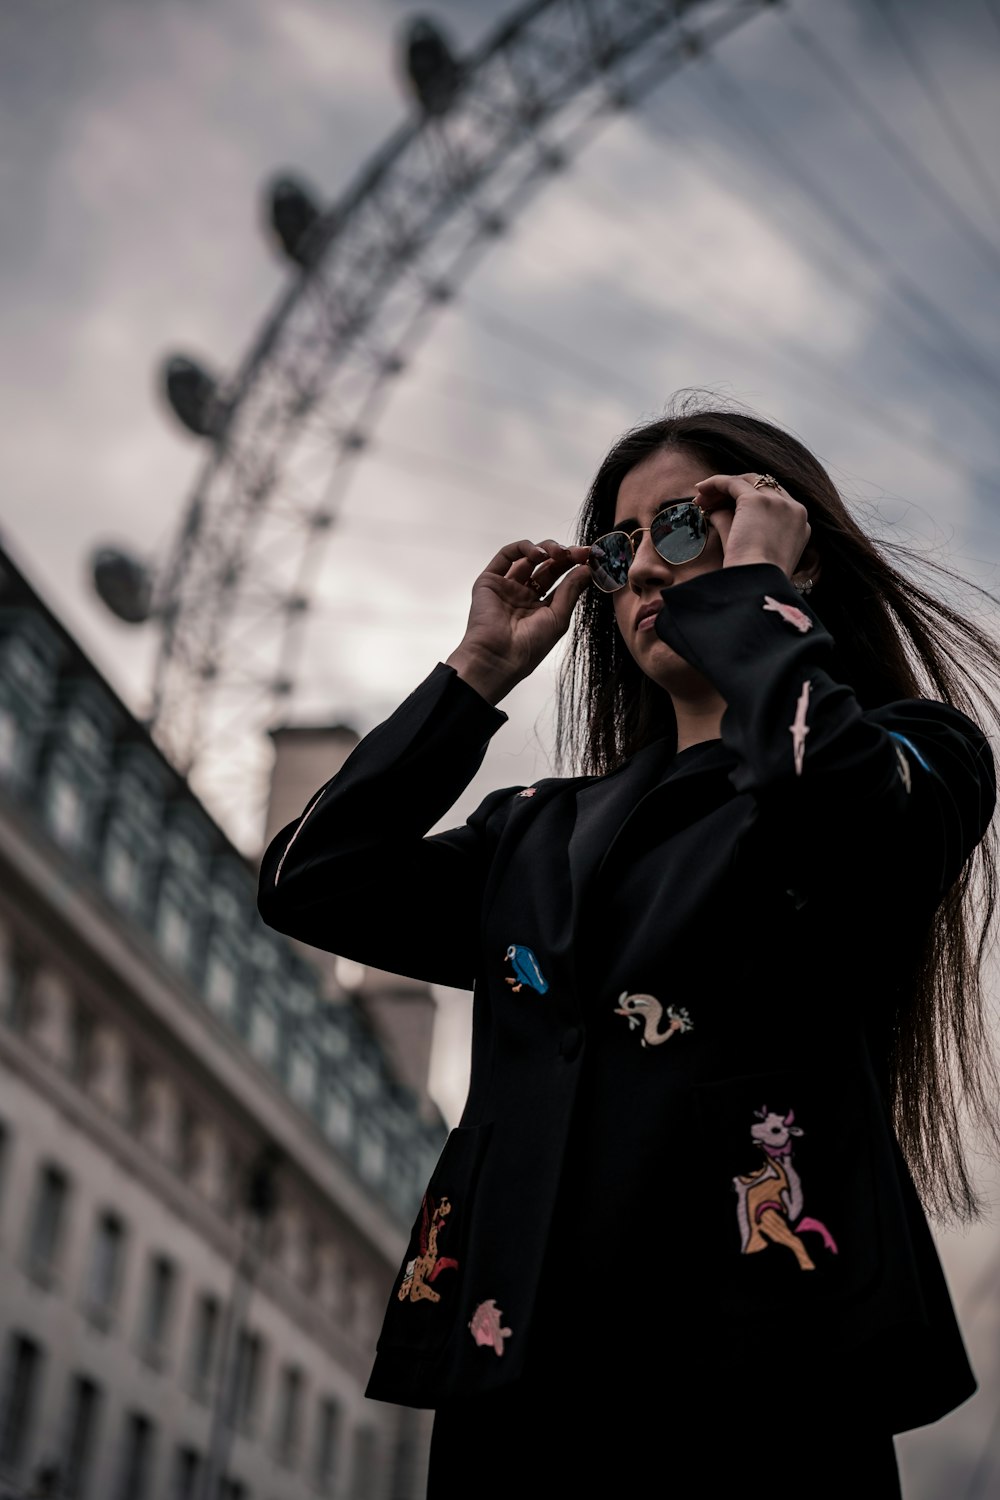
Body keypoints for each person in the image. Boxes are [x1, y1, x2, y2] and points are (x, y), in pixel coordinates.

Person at [257, 403, 1000, 1498]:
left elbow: (836, 809)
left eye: (689, 528)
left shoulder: (913, 757)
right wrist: (472, 673)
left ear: (784, 549)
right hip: (514, 1394)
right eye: (617, 549)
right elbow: (307, 881)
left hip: (760, 1391)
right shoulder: (532, 832)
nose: (647, 569)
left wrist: (756, 600)